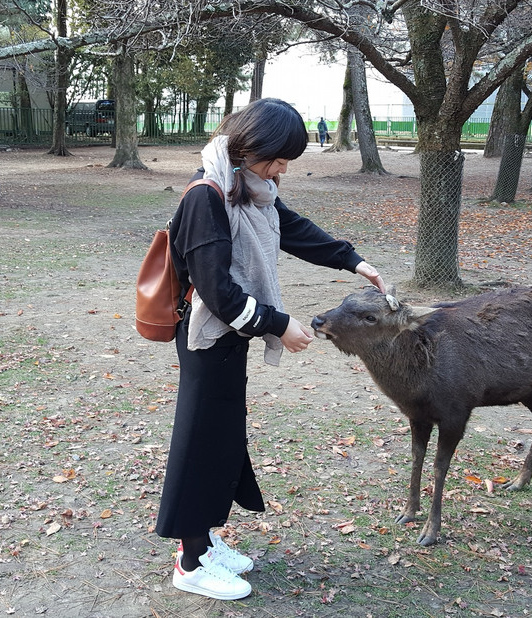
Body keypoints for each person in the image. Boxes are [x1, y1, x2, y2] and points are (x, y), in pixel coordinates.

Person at [157, 98, 387, 601]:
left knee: (221, 438)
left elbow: (293, 228)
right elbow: (216, 291)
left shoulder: (250, 189)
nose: (282, 170)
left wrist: (353, 260)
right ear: (250, 147)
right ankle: (190, 562)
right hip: (206, 337)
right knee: (200, 442)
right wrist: (280, 325)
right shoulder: (207, 196)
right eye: (278, 159)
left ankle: (205, 540)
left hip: (227, 338)